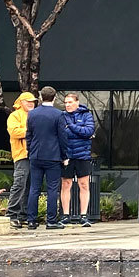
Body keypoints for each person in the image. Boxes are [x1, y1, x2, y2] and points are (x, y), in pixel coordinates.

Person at [25, 86, 69, 229]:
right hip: (53, 156)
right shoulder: (58, 115)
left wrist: (30, 151)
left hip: (36, 156)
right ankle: (51, 221)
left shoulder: (32, 114)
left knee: (34, 189)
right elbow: (63, 137)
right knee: (52, 189)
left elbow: (29, 135)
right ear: (54, 97)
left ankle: (31, 221)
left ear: (40, 97)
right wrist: (64, 156)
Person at [60, 92, 96, 227]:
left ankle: (84, 215)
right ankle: (65, 215)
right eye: (65, 102)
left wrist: (72, 127)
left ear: (77, 102)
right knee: (66, 184)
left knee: (84, 184)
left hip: (83, 156)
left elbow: (88, 132)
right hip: (67, 155)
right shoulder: (61, 116)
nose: (67, 105)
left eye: (70, 102)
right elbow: (62, 134)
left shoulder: (86, 115)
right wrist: (78, 132)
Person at [5, 92, 36, 228]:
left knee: (29, 186)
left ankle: (23, 215)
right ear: (21, 102)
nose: (31, 103)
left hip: (34, 155)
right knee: (19, 184)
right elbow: (14, 132)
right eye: (28, 101)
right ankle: (11, 214)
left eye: (33, 101)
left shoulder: (35, 115)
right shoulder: (14, 115)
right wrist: (31, 131)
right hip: (21, 155)